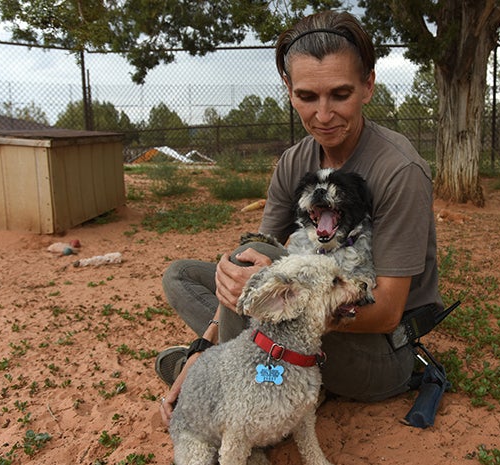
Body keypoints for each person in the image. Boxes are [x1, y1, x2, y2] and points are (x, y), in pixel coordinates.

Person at [157, 10, 444, 427]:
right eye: (308, 96)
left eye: (340, 94)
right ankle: (228, 366)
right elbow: (251, 261)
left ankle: (235, 390)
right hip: (302, 321)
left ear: (368, 85)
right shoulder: (295, 162)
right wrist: (204, 344)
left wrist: (278, 293)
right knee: (184, 275)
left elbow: (384, 313)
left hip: (378, 349)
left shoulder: (400, 171)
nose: (323, 115)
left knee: (258, 277)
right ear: (289, 90)